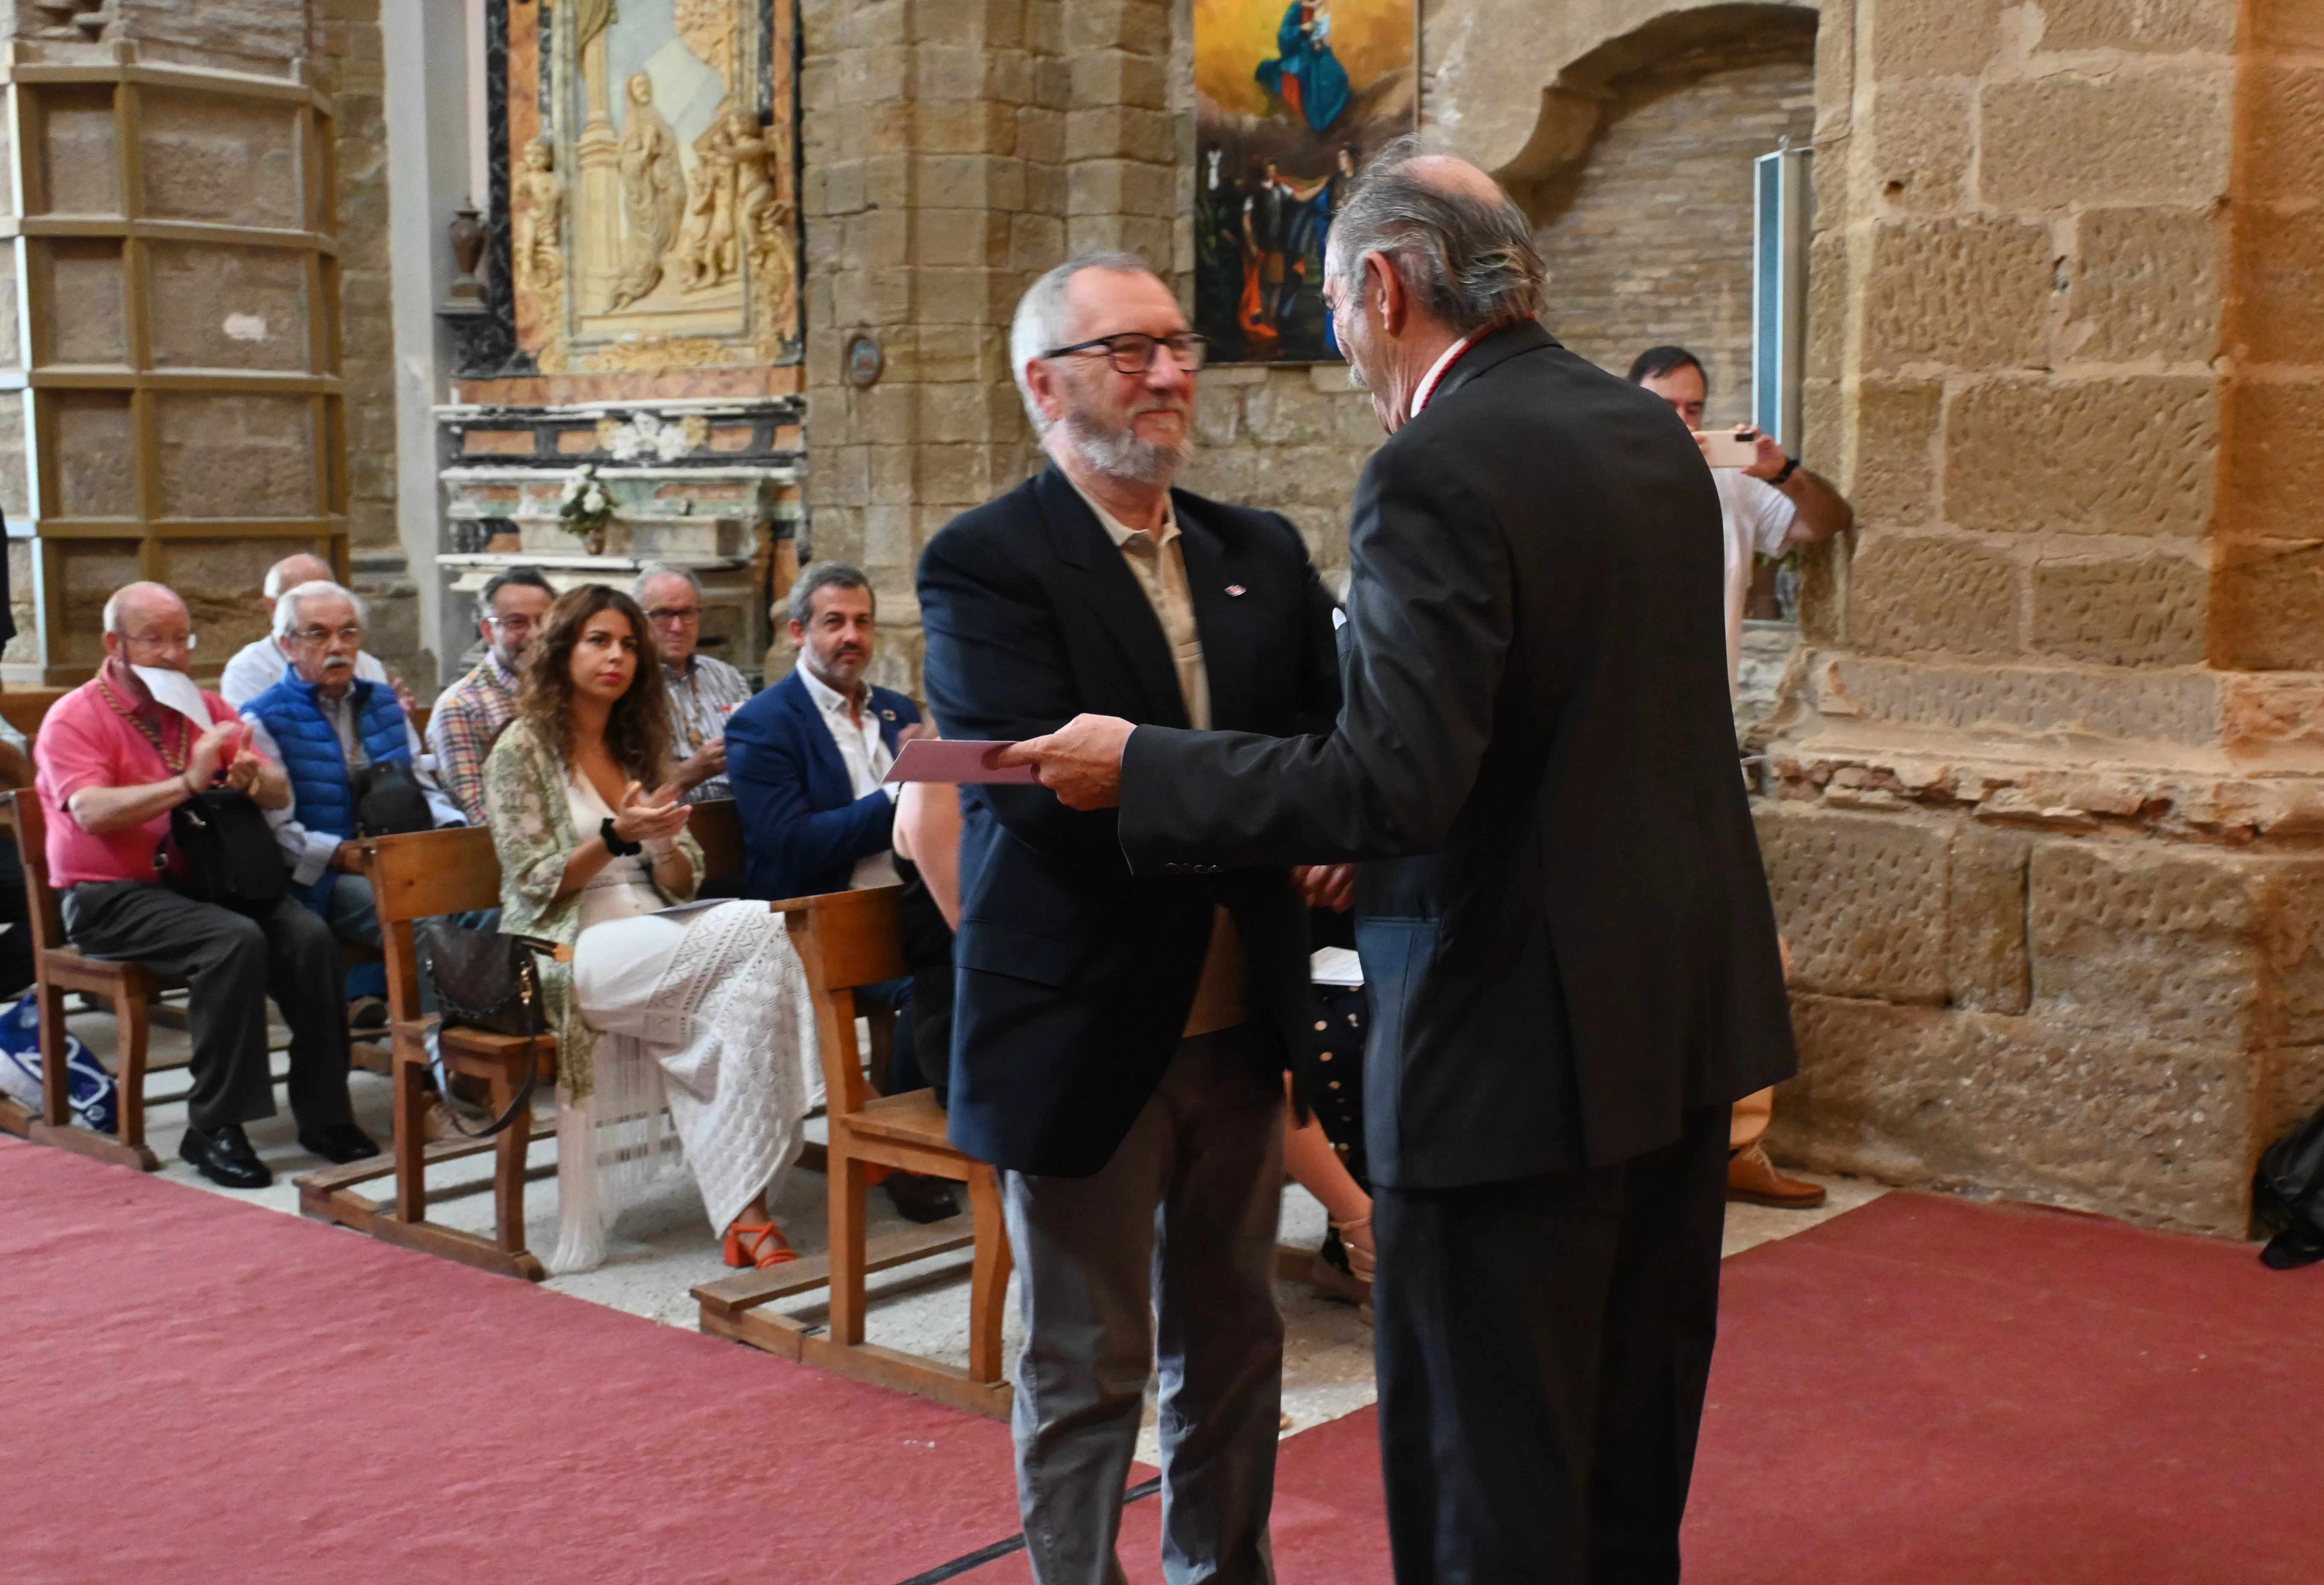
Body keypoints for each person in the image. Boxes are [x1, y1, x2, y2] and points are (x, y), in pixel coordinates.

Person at [1001, 147, 1797, 1583]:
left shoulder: (1437, 464)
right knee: (1624, 1454)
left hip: (1507, 1045)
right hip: (1674, 1019)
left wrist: (1150, 766)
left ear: (1382, 285)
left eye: (1326, 299)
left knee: (1488, 1477)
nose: (1334, 332)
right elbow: (1566, 735)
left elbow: (1394, 781)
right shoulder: (1645, 439)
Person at [917, 252, 1341, 1585]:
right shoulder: (985, 563)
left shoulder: (1255, 549)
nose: (1167, 373)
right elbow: (1043, 806)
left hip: (1236, 1017)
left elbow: (1333, 750)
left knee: (1232, 1344)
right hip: (1082, 1016)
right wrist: (1266, 808)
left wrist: (1275, 804)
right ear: (1042, 384)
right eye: (1127, 351)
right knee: (1085, 1360)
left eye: (1177, 346)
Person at [481, 584, 815, 1275]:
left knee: (738, 1002)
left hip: (650, 932)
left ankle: (745, 1217)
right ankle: (822, 1091)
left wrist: (661, 845)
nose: (617, 656)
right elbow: (532, 881)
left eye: (628, 645)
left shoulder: (636, 748)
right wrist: (614, 835)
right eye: (598, 640)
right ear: (562, 649)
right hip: (567, 945)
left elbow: (684, 878)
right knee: (763, 924)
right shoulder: (521, 748)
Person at [32, 582, 375, 1188]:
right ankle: (214, 1127)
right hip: (108, 895)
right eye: (153, 640)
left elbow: (280, 792)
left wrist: (253, 780)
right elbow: (89, 811)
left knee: (309, 936)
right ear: (116, 644)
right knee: (233, 942)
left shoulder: (204, 707)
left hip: (207, 884)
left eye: (181, 640)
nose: (170, 654)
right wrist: (188, 783)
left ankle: (325, 1114)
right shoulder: (76, 716)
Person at [1629, 343, 1853, 1214]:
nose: (1681, 424)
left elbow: (1825, 522)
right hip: (1620, 754)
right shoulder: (1595, 483)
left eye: (1693, 409)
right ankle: (1649, 1146)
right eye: (1663, 408)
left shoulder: (1729, 487)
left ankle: (1732, 1140)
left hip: (1704, 751)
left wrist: (1780, 466)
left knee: (1738, 943)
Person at [722, 561, 954, 1223]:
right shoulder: (764, 724)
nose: (850, 637)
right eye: (833, 623)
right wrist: (904, 791)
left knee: (988, 953)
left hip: (902, 904)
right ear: (799, 632)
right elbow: (794, 845)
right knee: (932, 984)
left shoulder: (896, 710)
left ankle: (964, 1119)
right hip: (814, 919)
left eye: (862, 622)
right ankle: (907, 1153)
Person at [239, 582, 464, 1021]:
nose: (337, 646)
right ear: (288, 645)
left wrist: (452, 833)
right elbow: (279, 834)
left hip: (398, 859)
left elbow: (421, 783)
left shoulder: (383, 704)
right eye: (318, 634)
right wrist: (343, 855)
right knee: (421, 921)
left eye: (348, 633)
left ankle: (497, 1040)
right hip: (318, 878)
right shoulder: (263, 717)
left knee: (488, 902)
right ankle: (442, 1054)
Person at [430, 566, 555, 824]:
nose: (535, 634)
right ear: (488, 631)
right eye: (517, 623)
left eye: (545, 621)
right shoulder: (459, 707)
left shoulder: (569, 689)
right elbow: (480, 813)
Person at [631, 563, 753, 802]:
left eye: (687, 613)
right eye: (663, 615)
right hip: (668, 824)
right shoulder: (629, 683)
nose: (677, 628)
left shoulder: (728, 677)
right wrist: (689, 773)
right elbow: (627, 787)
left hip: (736, 816)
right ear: (639, 620)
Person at [218, 552, 397, 708]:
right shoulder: (249, 669)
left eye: (327, 593)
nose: (336, 646)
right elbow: (247, 740)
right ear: (273, 607)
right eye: (305, 597)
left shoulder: (367, 666)